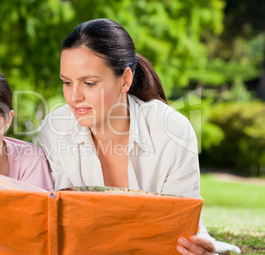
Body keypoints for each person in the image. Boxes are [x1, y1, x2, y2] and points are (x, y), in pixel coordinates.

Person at [39, 19, 240, 254]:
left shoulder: (172, 131)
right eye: (66, 82)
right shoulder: (55, 129)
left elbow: (182, 222)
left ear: (125, 80)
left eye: (89, 83)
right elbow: (59, 222)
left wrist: (197, 246)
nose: (73, 97)